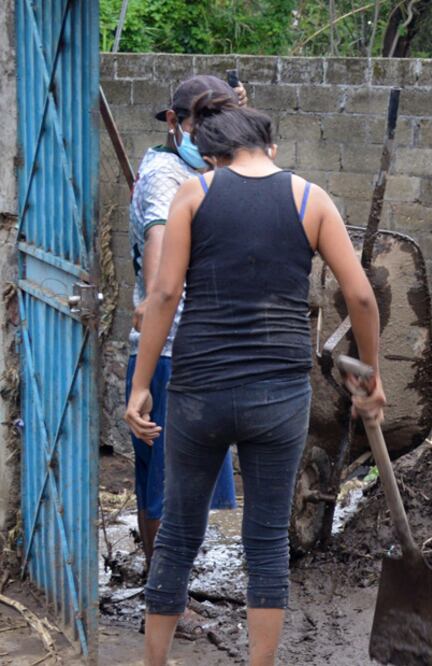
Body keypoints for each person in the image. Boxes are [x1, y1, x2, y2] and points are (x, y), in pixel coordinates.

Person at [124, 91, 386, 666]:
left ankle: (153, 663)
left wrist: (143, 384)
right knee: (265, 541)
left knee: (178, 537)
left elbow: (165, 294)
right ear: (270, 147)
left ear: (212, 153)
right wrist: (369, 375)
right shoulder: (310, 198)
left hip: (198, 392)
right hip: (279, 395)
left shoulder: (194, 194)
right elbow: (361, 295)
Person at [126, 76, 243, 603]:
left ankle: (163, 591)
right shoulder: (165, 177)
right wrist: (154, 307)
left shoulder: (202, 168)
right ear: (174, 122)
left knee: (167, 481)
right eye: (200, 124)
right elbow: (159, 266)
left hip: (185, 350)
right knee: (175, 486)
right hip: (174, 351)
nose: (209, 136)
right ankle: (165, 598)